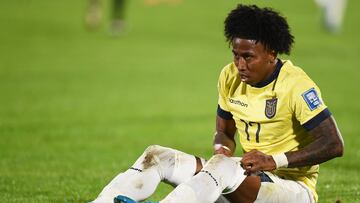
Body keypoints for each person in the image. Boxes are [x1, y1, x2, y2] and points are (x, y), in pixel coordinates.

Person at [90, 4, 344, 203]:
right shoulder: (229, 76)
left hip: (293, 190)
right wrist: (221, 147)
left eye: (248, 57)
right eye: (236, 55)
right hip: (245, 178)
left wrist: (273, 160)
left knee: (223, 167)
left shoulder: (296, 85)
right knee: (157, 155)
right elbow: (224, 131)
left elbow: (333, 144)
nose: (240, 64)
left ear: (272, 54)